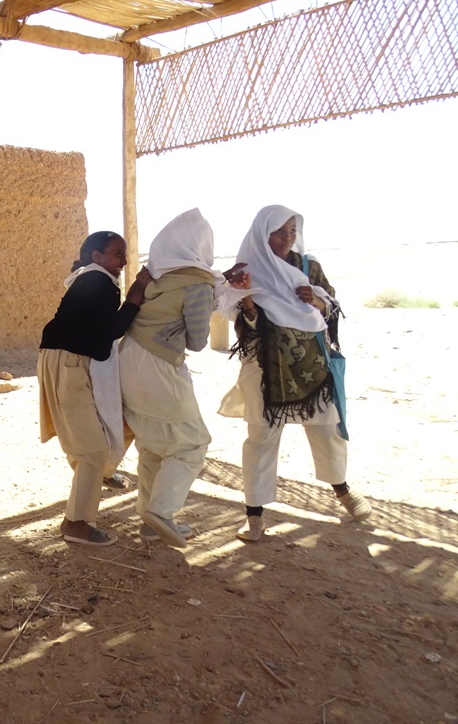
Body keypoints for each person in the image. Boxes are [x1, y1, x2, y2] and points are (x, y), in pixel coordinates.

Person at [219, 205, 372, 542]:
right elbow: (247, 327)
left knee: (326, 428)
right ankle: (254, 516)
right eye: (280, 231)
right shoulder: (245, 271)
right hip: (264, 368)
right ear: (263, 233)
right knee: (261, 438)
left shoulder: (307, 266)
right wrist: (245, 298)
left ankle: (342, 490)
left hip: (311, 366)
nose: (288, 238)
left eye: (292, 231)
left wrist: (317, 303)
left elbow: (330, 306)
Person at [119, 209, 233, 548]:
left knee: (153, 443)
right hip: (160, 367)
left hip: (127, 361)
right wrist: (213, 297)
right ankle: (162, 512)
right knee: (192, 443)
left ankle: (150, 521)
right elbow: (197, 342)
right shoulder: (198, 284)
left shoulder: (153, 275)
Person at [38, 231, 150, 546]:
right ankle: (76, 522)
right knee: (90, 450)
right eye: (117, 254)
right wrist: (135, 297)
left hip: (67, 362)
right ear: (97, 256)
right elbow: (108, 336)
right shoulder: (100, 282)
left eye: (125, 255)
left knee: (122, 420)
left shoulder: (91, 279)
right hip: (70, 366)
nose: (124, 261)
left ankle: (103, 471)